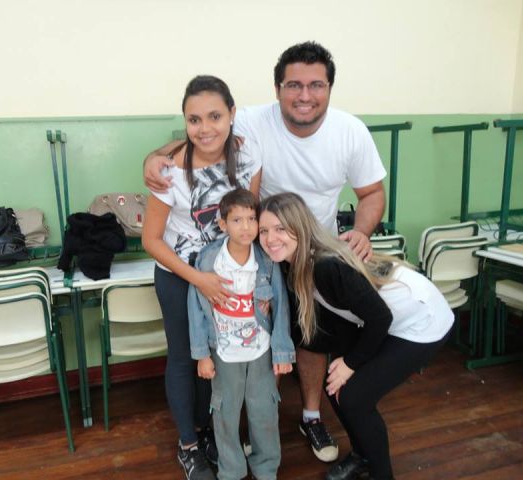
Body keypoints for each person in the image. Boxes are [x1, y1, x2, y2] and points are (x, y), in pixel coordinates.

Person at [144, 41, 386, 463]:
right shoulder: (225, 141)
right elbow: (199, 142)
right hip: (221, 264)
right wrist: (155, 155)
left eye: (316, 85)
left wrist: (360, 232)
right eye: (294, 85)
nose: (304, 95)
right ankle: (207, 439)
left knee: (286, 341)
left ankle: (281, 422)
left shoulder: (335, 134)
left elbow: (368, 194)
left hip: (280, 261)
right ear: (278, 89)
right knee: (208, 351)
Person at [258, 192, 454, 480]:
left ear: (300, 227)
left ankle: (381, 474)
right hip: (383, 320)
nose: (270, 238)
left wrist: (351, 363)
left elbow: (380, 317)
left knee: (355, 398)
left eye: (280, 229)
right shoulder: (295, 264)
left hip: (422, 319)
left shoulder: (325, 265)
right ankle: (363, 456)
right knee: (335, 387)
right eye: (264, 230)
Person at [141, 75, 261, 480]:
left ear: (232, 114)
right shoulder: (169, 171)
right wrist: (197, 278)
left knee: (217, 354)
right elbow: (151, 240)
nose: (205, 128)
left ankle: (210, 431)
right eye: (194, 120)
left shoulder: (248, 156)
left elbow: (250, 217)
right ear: (185, 123)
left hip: (225, 277)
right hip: (178, 277)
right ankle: (188, 445)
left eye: (214, 116)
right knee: (184, 356)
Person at [188, 188, 295, 480]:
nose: (246, 227)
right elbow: (196, 308)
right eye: (237, 220)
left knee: (264, 411)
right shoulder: (209, 259)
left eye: (251, 219)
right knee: (225, 414)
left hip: (261, 350)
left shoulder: (265, 260)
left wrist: (282, 351)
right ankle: (231, 471)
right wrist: (202, 355)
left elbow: (281, 305)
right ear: (223, 224)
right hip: (223, 352)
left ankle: (266, 468)